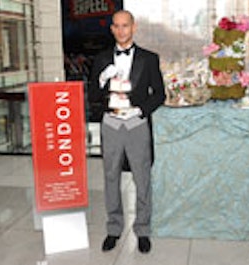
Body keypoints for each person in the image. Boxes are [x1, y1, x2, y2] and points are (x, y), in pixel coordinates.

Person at [88, 10, 165, 253]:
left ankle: (142, 229)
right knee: (110, 177)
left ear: (134, 27)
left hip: (136, 123)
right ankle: (113, 228)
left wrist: (140, 110)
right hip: (111, 123)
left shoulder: (149, 58)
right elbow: (92, 96)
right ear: (112, 29)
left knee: (142, 178)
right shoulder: (101, 58)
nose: (121, 31)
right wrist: (101, 80)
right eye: (117, 26)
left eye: (126, 26)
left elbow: (160, 94)